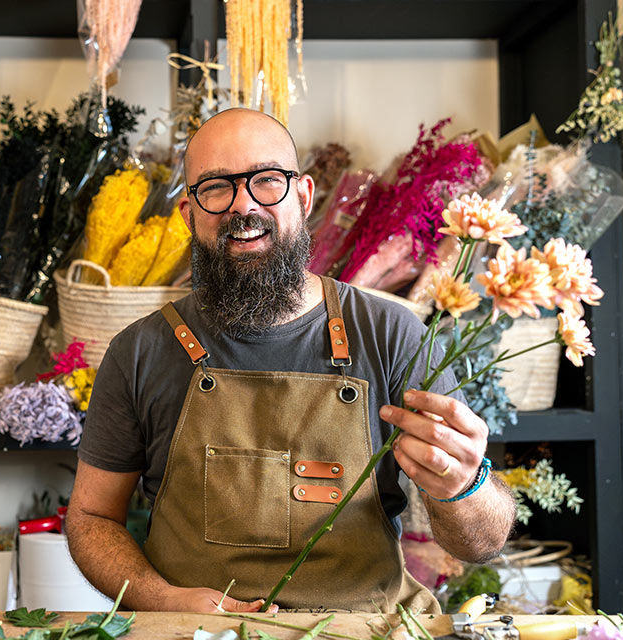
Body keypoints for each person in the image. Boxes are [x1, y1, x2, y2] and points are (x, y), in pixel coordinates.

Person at [65, 108, 515, 614]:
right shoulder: (139, 351)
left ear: (303, 197)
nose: (243, 205)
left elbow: (481, 543)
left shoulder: (392, 335)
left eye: (266, 180)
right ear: (188, 214)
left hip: (365, 628)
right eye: (216, 187)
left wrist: (464, 486)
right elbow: (91, 518)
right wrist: (162, 599)